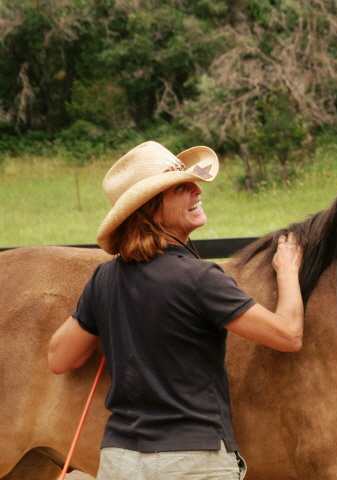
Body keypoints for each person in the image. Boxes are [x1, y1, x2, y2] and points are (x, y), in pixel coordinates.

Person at [48, 141, 304, 480]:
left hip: (120, 461)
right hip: (192, 462)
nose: (197, 190)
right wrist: (287, 271)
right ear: (150, 209)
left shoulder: (104, 278)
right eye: (180, 188)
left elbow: (59, 359)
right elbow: (288, 335)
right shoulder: (200, 278)